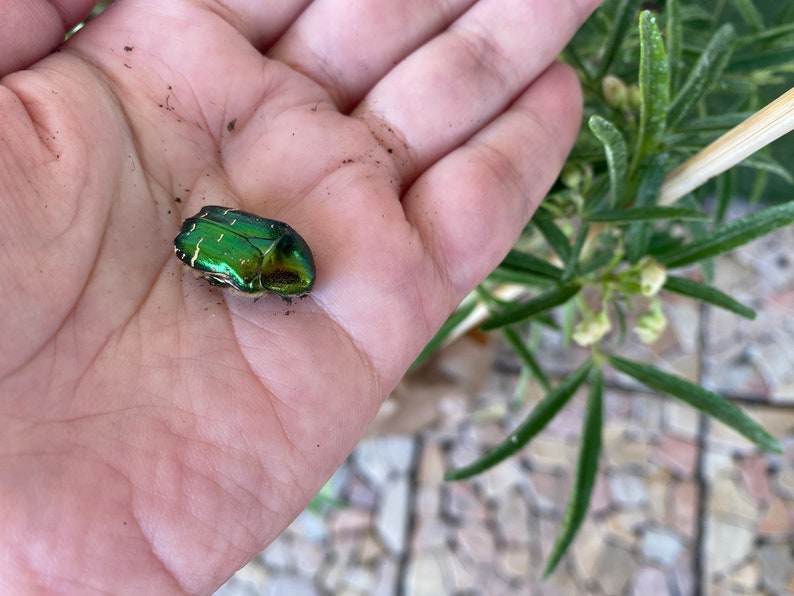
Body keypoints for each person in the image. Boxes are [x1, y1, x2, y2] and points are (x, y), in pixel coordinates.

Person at [0, 0, 601, 592]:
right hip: (266, 249)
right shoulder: (211, 244)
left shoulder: (213, 251)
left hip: (271, 253)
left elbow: (236, 262)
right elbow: (234, 259)